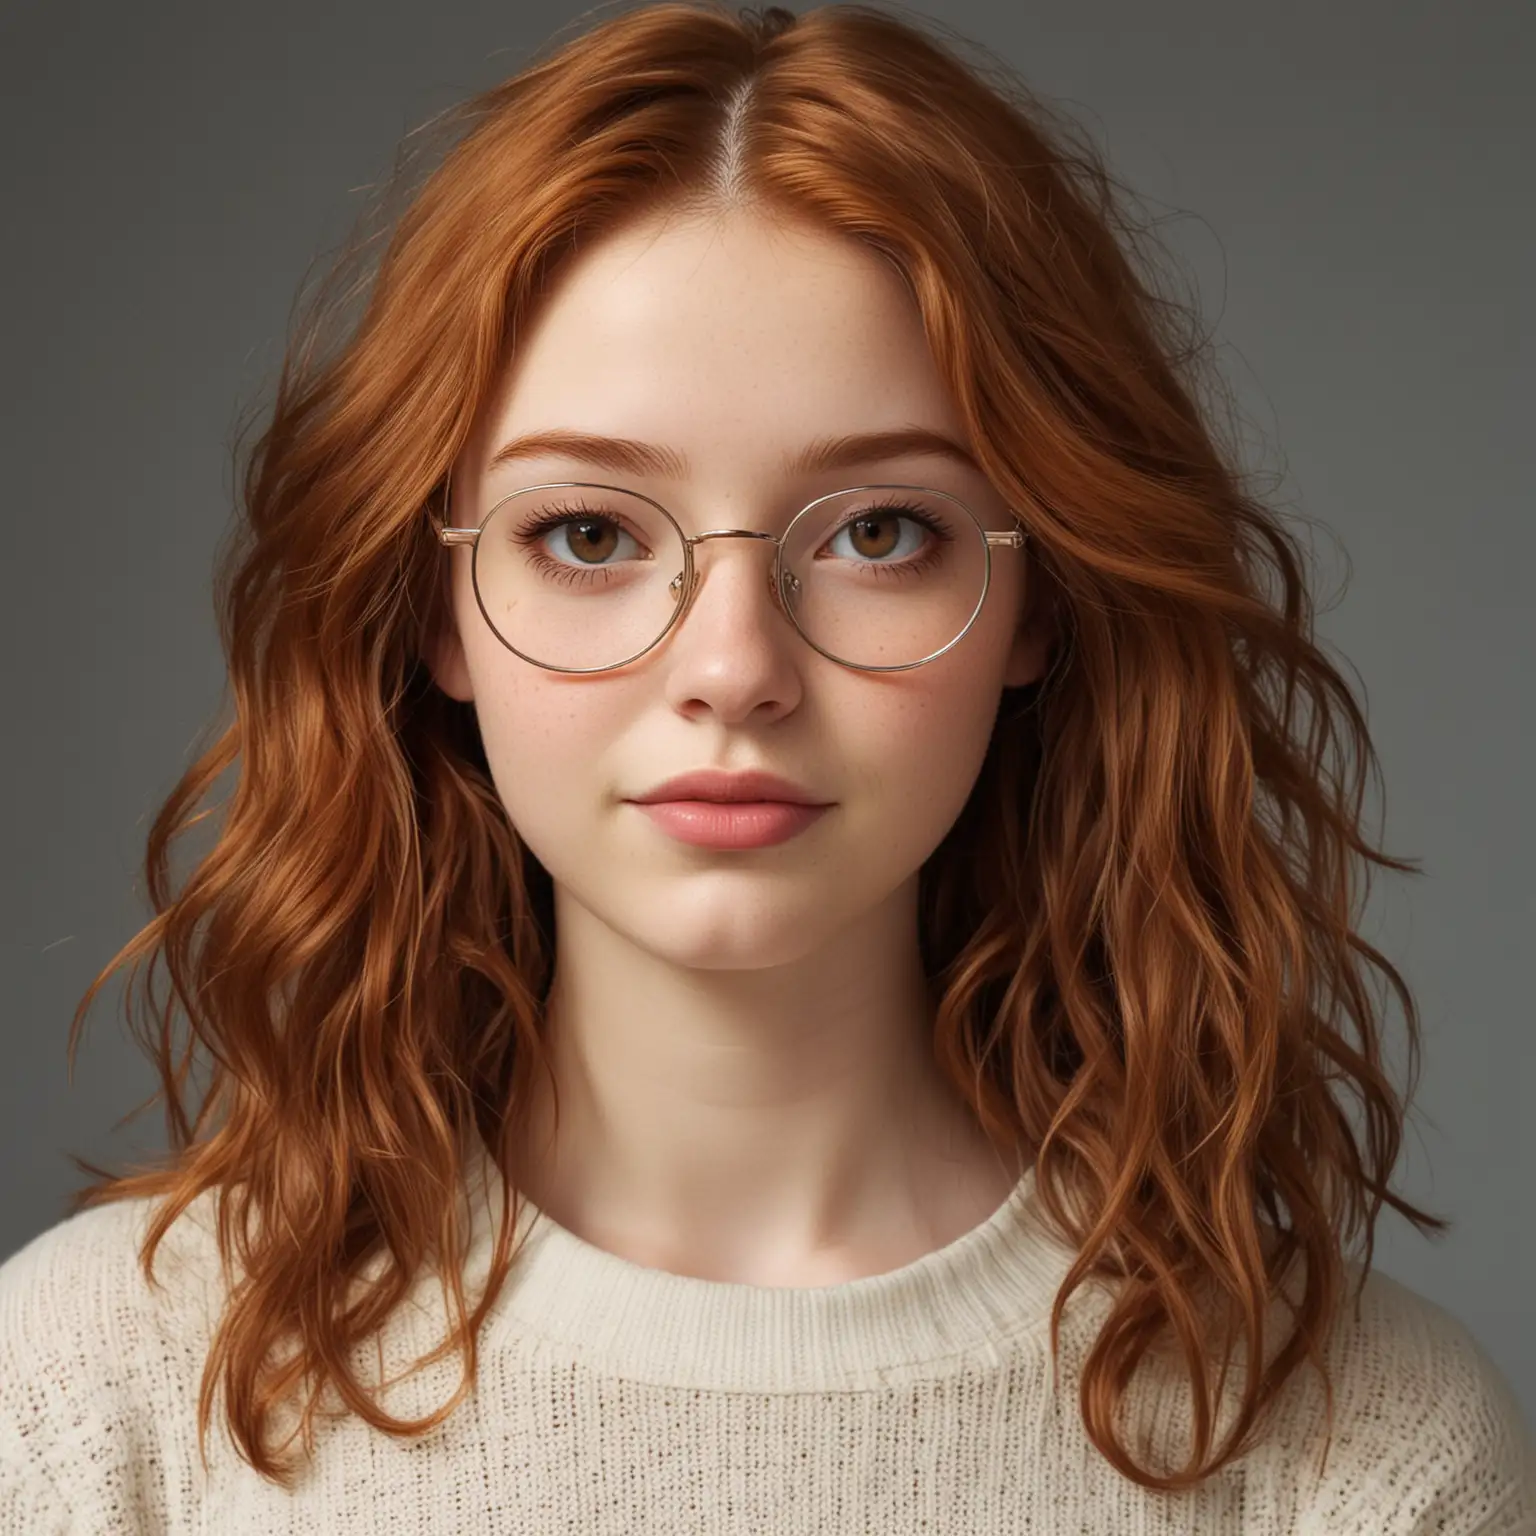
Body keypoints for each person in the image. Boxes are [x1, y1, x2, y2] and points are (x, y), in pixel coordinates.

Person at [2, 2, 1531, 1531]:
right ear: (434, 607)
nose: (733, 668)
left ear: (1039, 602)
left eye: (880, 532)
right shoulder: (96, 1403)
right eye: (587, 534)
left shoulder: (1366, 1457)